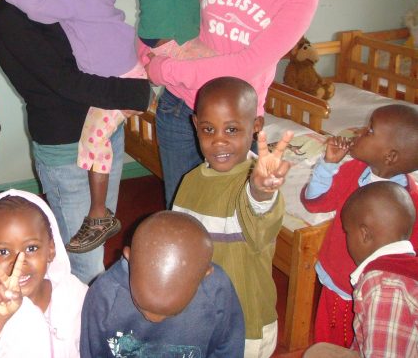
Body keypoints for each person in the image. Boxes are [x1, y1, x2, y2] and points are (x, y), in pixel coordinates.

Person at [0, 0, 151, 283]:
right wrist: (134, 93)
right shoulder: (8, 13)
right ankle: (76, 338)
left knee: (100, 235)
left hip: (106, 129)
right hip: (66, 146)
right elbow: (63, 81)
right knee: (84, 264)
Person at [143, 0, 318, 207]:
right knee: (180, 213)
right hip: (182, 109)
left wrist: (165, 71)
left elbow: (247, 65)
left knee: (227, 222)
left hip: (235, 120)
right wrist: (147, 52)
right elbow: (163, 7)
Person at [172, 77, 294, 358]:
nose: (219, 140)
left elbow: (259, 213)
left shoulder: (252, 184)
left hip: (245, 325)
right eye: (208, 129)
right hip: (201, 317)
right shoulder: (189, 181)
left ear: (256, 127)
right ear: (195, 125)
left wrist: (262, 190)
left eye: (232, 129)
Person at [301, 104, 418, 347]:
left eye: (370, 131)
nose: (359, 132)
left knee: (368, 343)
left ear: (390, 156)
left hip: (379, 295)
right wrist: (327, 165)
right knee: (328, 343)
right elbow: (315, 203)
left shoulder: (410, 203)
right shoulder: (353, 171)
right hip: (337, 282)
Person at [80, 210, 244, 357]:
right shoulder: (104, 295)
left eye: (171, 313)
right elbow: (92, 350)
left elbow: (228, 346)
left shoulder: (216, 290)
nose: (154, 320)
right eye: (141, 305)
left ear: (205, 275)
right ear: (128, 258)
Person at [0, 190, 87, 357]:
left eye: (31, 248)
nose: (18, 262)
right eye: (3, 251)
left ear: (50, 249)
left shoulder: (74, 293)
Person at [304, 182, 418, 358]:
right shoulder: (402, 267)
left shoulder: (383, 288)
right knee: (318, 352)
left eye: (347, 232)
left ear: (364, 234)